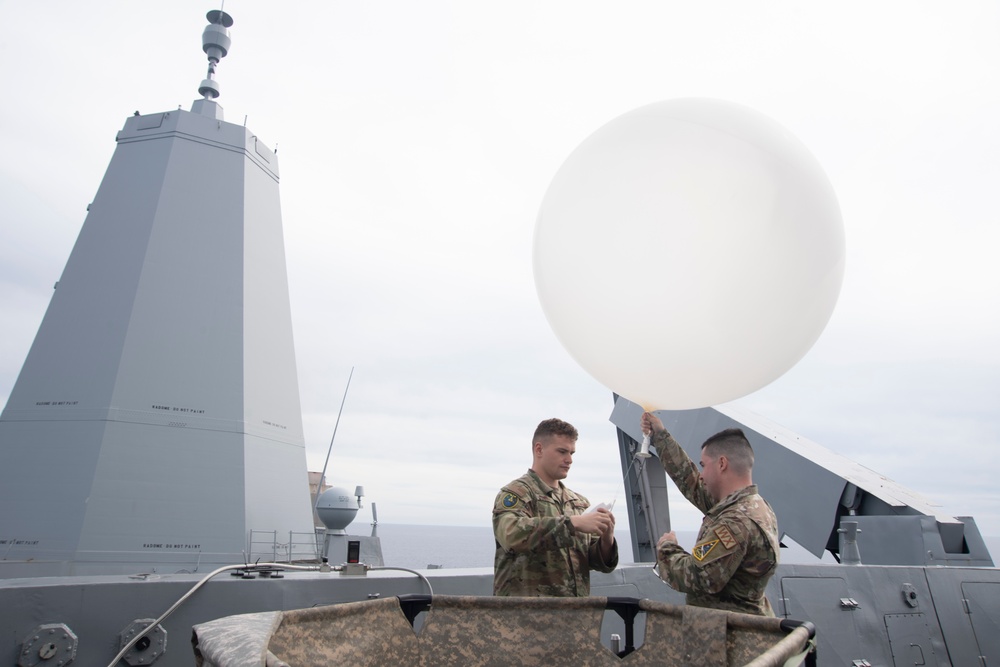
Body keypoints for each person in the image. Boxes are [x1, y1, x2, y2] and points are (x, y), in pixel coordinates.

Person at [641, 411, 779, 616]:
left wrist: (667, 547)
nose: (702, 474)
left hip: (730, 637)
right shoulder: (752, 506)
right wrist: (660, 435)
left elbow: (699, 576)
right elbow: (692, 482)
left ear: (722, 464)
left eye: (703, 465)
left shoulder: (736, 521)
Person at [492, 418, 618, 596]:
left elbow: (595, 561)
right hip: (527, 617)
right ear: (539, 449)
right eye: (562, 452)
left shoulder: (578, 503)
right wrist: (571, 524)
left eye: (572, 453)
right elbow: (510, 536)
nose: (569, 460)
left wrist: (607, 539)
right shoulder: (517, 494)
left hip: (573, 615)